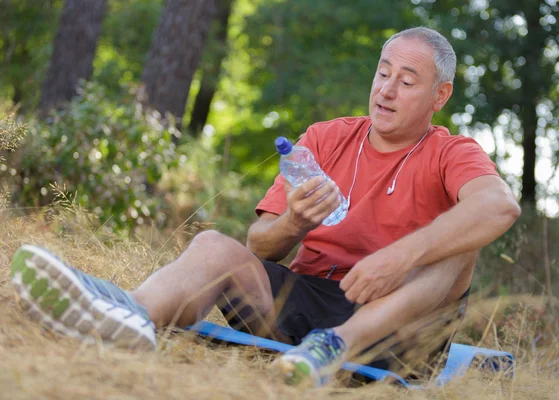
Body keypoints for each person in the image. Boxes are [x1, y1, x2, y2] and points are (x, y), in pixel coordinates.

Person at [9, 27, 520, 387]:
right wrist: (296, 221)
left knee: (459, 253)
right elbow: (261, 247)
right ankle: (131, 317)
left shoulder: (451, 152)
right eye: (382, 73)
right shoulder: (325, 138)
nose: (386, 90)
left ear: (439, 95)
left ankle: (334, 347)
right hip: (303, 304)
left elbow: (499, 208)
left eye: (407, 81)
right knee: (212, 244)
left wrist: (401, 256)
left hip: (399, 329)